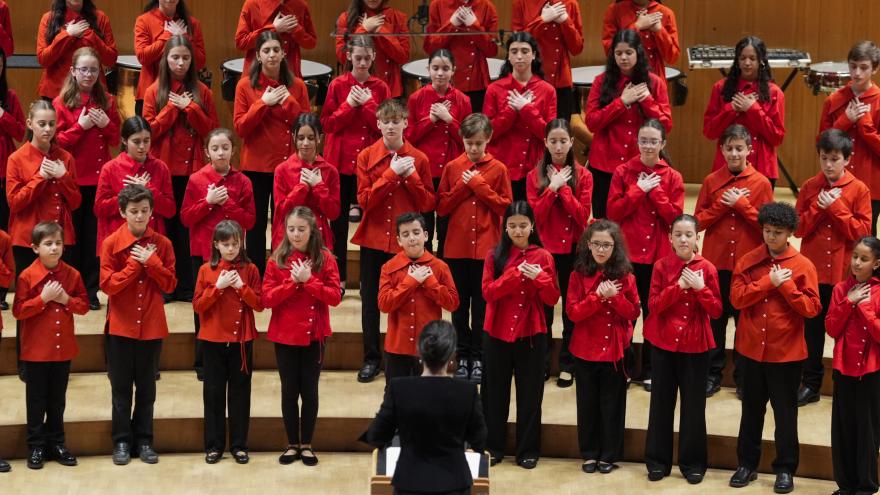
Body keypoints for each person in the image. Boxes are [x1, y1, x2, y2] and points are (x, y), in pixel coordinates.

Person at [728, 202, 821, 493]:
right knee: (751, 411)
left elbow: (812, 309)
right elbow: (737, 300)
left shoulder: (804, 266)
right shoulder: (748, 261)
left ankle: (785, 469)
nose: (771, 237)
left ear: (790, 233)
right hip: (751, 350)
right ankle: (746, 465)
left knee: (785, 414)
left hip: (786, 355)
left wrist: (787, 287)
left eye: (777, 233)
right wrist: (768, 282)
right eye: (767, 231)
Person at [351, 98, 435, 383]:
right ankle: (371, 359)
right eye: (385, 121)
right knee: (371, 301)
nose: (390, 126)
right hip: (374, 240)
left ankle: (409, 357)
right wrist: (390, 174)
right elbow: (364, 201)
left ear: (405, 123)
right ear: (378, 124)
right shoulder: (365, 157)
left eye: (395, 121)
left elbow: (427, 203)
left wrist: (410, 176)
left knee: (410, 300)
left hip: (406, 244)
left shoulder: (420, 159)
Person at [361, 319, 487, 494]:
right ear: (452, 356)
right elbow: (480, 441)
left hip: (410, 482)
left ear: (419, 352)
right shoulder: (467, 391)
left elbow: (376, 435)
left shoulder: (399, 388)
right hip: (454, 483)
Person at [694, 124, 773, 397]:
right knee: (714, 319)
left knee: (745, 322)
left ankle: (743, 378)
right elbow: (697, 223)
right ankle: (712, 375)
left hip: (748, 264)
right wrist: (722, 205)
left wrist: (742, 206)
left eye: (740, 148)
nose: (735, 153)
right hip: (716, 263)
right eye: (729, 148)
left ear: (750, 150)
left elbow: (768, 227)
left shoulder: (761, 183)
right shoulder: (711, 181)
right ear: (722, 150)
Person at [100, 185, 177, 466]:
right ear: (122, 212)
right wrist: (135, 265)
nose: (140, 216)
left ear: (152, 211)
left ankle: (144, 440)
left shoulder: (163, 244)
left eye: (145, 211)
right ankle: (121, 440)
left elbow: (170, 284)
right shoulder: (110, 244)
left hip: (151, 327)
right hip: (120, 328)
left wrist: (152, 262)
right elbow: (109, 286)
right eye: (134, 211)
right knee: (121, 389)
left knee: (147, 389)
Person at [795, 129, 872, 406]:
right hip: (813, 273)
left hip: (844, 274)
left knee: (847, 332)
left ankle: (846, 385)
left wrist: (837, 208)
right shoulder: (809, 187)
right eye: (824, 157)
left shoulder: (859, 189)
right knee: (812, 331)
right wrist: (818, 208)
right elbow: (799, 229)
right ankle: (811, 384)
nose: (829, 164)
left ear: (847, 159)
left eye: (835, 158)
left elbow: (862, 233)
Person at [643, 214, 721, 484]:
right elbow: (653, 306)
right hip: (664, 344)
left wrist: (700, 289)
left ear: (697, 237)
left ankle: (693, 463)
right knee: (661, 405)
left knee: (693, 407)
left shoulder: (708, 268)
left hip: (695, 346)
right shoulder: (661, 266)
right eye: (678, 234)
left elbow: (716, 310)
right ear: (670, 238)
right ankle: (657, 461)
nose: (684, 239)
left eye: (689, 234)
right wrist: (679, 287)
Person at [482, 200, 560, 469]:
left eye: (523, 225)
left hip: (531, 335)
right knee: (494, 394)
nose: (517, 231)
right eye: (512, 226)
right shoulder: (495, 255)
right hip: (497, 333)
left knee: (530, 395)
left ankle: (528, 450)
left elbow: (552, 298)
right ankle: (492, 446)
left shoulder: (545, 257)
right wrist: (513, 276)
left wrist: (539, 278)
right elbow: (488, 293)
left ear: (532, 226)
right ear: (505, 228)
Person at [607, 119, 683, 389]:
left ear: (662, 143)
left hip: (658, 256)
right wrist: (639, 190)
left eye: (653, 141)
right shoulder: (623, 171)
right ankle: (624, 368)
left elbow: (676, 219)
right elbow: (613, 213)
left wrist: (656, 192)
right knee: (625, 313)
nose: (648, 146)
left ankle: (652, 370)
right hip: (627, 255)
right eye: (643, 141)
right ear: (637, 142)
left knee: (655, 313)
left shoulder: (672, 176)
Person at [263, 206, 341, 467]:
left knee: (309, 391)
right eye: (291, 229)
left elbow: (335, 297)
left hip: (313, 336)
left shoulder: (325, 259)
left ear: (312, 230)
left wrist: (309, 281)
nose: (296, 234)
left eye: (301, 229)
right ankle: (291, 444)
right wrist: (293, 283)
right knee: (288, 391)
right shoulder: (277, 259)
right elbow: (266, 299)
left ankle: (306, 444)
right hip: (284, 335)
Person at [437, 113, 512, 383]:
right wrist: (461, 186)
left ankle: (479, 357)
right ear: (462, 140)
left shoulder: (499, 169)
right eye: (469, 142)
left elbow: (506, 207)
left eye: (479, 143)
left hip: (486, 250)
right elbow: (442, 207)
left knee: (481, 308)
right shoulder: (452, 167)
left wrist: (479, 187)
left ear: (489, 139)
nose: (474, 148)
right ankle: (462, 355)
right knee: (458, 306)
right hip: (456, 248)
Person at [144, 35, 219, 302]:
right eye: (175, 57)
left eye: (185, 57)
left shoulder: (203, 91)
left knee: (188, 230)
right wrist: (172, 110)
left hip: (192, 171)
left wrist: (192, 109)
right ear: (166, 59)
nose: (180, 62)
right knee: (165, 230)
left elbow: (212, 132)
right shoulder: (154, 91)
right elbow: (148, 133)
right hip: (162, 170)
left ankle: (188, 286)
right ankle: (166, 286)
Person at [181, 128, 255, 380]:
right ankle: (203, 361)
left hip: (233, 254)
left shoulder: (243, 182)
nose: (221, 153)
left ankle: (232, 354)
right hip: (203, 253)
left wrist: (228, 204)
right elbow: (186, 218)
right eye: (215, 148)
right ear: (207, 152)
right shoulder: (196, 180)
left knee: (230, 302)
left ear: (233, 149)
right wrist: (209, 201)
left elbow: (250, 220)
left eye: (225, 147)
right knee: (203, 305)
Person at [233, 30, 310, 275]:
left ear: (283, 53)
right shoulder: (245, 85)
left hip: (287, 165)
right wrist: (262, 104)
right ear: (258, 55)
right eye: (266, 50)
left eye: (276, 50)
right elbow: (241, 128)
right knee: (255, 226)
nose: (272, 55)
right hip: (255, 165)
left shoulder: (296, 85)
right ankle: (255, 273)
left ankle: (284, 271)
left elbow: (305, 125)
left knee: (287, 223)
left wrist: (288, 101)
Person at [567, 219, 639, 475]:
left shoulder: (626, 276)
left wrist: (615, 297)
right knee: (587, 404)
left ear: (615, 246)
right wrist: (597, 297)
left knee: (612, 405)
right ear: (588, 244)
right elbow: (573, 313)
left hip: (614, 351)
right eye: (596, 243)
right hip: (585, 349)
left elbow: (633, 311)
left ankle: (609, 454)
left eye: (606, 245)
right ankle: (589, 453)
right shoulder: (577, 275)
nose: (600, 249)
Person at [14, 221, 88, 470]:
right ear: (35, 248)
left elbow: (84, 306)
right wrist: (42, 299)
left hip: (62, 350)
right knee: (36, 401)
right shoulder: (26, 276)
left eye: (58, 243)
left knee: (57, 401)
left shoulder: (72, 275)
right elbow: (19, 311)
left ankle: (57, 443)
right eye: (48, 244)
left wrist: (65, 298)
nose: (54, 248)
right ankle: (36, 446)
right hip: (36, 352)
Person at [526, 118, 592, 386]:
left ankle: (568, 364)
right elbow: (534, 218)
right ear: (545, 143)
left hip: (574, 251)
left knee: (570, 310)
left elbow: (582, 216)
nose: (558, 145)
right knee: (542, 310)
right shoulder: (535, 175)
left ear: (571, 142)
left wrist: (563, 189)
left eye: (563, 140)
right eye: (553, 141)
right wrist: (551, 189)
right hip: (544, 251)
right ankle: (540, 363)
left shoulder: (584, 175)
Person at [53, 46, 120, 310]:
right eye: (84, 69)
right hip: (70, 180)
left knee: (95, 238)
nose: (89, 74)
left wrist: (105, 125)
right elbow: (56, 143)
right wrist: (80, 127)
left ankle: (91, 291)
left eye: (94, 69)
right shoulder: (61, 103)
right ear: (73, 71)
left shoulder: (108, 102)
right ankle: (71, 289)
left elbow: (116, 139)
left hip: (99, 181)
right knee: (72, 237)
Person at [321, 35, 390, 290]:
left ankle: (367, 279)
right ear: (348, 56)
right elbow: (327, 124)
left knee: (371, 220)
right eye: (357, 57)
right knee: (337, 222)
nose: (362, 63)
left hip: (370, 163)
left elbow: (385, 125)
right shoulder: (338, 85)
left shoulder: (380, 87)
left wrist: (369, 105)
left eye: (366, 58)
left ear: (373, 57)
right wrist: (349, 105)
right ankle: (337, 277)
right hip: (339, 162)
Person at [193, 220, 262, 464]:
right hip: (213, 340)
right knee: (213, 394)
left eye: (235, 244)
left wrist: (241, 287)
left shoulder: (250, 269)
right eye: (226, 244)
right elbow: (198, 306)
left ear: (241, 243)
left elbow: (259, 304)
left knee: (240, 394)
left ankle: (239, 445)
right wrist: (219, 287)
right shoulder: (206, 270)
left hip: (241, 341)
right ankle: (214, 445)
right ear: (216, 245)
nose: (231, 249)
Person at [585, 29, 672, 220]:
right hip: (604, 166)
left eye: (629, 53)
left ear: (638, 53)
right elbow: (591, 122)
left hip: (640, 164)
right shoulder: (601, 82)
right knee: (604, 222)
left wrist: (647, 101)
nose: (623, 58)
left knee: (637, 221)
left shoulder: (655, 83)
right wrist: (621, 102)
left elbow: (665, 125)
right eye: (618, 53)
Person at [825, 236, 880, 495]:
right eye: (855, 256)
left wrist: (865, 308)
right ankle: (846, 485)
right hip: (844, 368)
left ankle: (866, 487)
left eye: (864, 259)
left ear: (876, 264)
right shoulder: (840, 289)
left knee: (868, 432)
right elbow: (831, 328)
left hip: (871, 372)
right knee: (844, 429)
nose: (856, 262)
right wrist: (849, 301)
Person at [404, 49, 471, 256]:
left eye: (445, 69)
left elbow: (468, 139)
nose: (440, 73)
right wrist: (431, 121)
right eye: (435, 68)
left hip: (451, 169)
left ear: (453, 71)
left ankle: (442, 262)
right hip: (424, 168)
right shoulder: (417, 98)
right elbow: (408, 137)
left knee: (446, 222)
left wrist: (449, 120)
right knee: (423, 220)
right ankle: (422, 258)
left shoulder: (463, 100)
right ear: (428, 70)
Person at [378, 212, 459, 381]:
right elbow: (384, 305)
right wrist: (411, 281)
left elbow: (453, 303)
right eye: (405, 235)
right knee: (396, 396)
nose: (412, 238)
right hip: (397, 347)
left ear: (426, 235)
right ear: (399, 240)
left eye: (416, 232)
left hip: (429, 348)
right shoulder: (388, 267)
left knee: (429, 398)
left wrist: (430, 283)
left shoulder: (440, 267)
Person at [703, 36, 785, 186]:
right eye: (743, 58)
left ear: (761, 60)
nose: (747, 63)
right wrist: (731, 109)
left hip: (762, 169)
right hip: (726, 167)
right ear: (737, 60)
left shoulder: (775, 93)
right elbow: (709, 132)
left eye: (752, 58)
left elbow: (777, 138)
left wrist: (753, 110)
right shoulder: (720, 88)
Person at [484, 32, 556, 201]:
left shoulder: (547, 90)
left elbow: (549, 135)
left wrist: (526, 109)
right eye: (514, 51)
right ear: (508, 56)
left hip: (535, 167)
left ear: (534, 55)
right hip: (502, 165)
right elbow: (488, 134)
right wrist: (511, 110)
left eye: (525, 51)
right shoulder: (494, 89)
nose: (519, 56)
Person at [818, 41, 880, 235]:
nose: (857, 73)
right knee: (833, 233)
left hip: (871, 184)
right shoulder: (834, 100)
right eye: (853, 66)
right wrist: (845, 121)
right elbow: (821, 143)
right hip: (834, 179)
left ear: (875, 69)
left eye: (864, 68)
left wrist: (865, 125)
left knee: (865, 237)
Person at [94, 116, 175, 260]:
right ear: (124, 141)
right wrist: (126, 194)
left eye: (146, 140)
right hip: (118, 242)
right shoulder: (110, 168)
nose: (142, 147)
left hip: (152, 243)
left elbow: (170, 210)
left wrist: (149, 190)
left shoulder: (160, 167)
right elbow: (99, 209)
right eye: (136, 142)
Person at [273, 113, 339, 251]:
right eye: (301, 138)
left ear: (319, 138)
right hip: (289, 238)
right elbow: (281, 211)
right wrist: (302, 187)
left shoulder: (330, 170)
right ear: (293, 138)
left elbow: (333, 213)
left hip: (318, 238)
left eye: (311, 138)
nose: (305, 143)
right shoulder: (282, 169)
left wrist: (319, 186)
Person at [511, 0, 584, 121]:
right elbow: (516, 44)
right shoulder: (521, 3)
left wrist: (566, 22)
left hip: (560, 81)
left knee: (560, 132)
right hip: (529, 79)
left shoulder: (570, 3)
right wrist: (542, 20)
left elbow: (577, 48)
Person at [423, 0, 499, 112]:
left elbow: (492, 50)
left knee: (474, 127)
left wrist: (473, 26)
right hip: (445, 81)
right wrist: (451, 24)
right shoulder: (438, 4)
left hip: (475, 83)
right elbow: (430, 48)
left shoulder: (487, 6)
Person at [135, 0, 206, 115]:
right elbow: (143, 57)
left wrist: (184, 38)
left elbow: (200, 62)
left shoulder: (193, 23)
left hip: (185, 95)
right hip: (150, 92)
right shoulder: (144, 20)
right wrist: (167, 36)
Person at [36, 0, 117, 100]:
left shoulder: (100, 18)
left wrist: (91, 36)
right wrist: (67, 35)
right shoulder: (49, 18)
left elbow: (111, 60)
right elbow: (43, 60)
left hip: (93, 93)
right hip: (56, 93)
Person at [335, 0, 410, 98]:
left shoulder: (398, 18)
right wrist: (364, 29)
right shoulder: (346, 18)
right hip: (355, 90)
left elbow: (403, 57)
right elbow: (343, 57)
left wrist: (380, 30)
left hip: (389, 89)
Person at [601, 0, 680, 81]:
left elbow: (672, 57)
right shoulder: (615, 10)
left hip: (655, 80)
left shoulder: (666, 13)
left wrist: (659, 30)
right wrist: (637, 26)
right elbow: (610, 52)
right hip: (622, 79)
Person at [235, 0, 316, 78]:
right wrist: (273, 28)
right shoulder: (252, 3)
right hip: (256, 76)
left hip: (290, 76)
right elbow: (241, 42)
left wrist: (296, 30)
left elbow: (311, 43)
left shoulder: (300, 4)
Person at [0, 47, 24, 310]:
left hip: (3, 173)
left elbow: (19, 132)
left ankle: (1, 290)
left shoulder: (10, 96)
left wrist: (2, 116)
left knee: (3, 236)